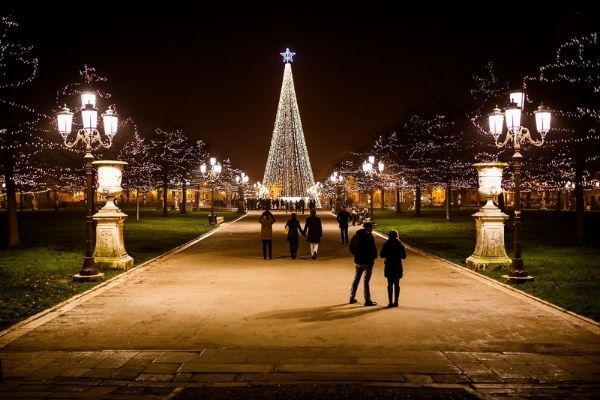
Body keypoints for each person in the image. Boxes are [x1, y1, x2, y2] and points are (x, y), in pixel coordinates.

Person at [349, 222, 378, 306]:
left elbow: (350, 248)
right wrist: (373, 257)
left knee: (356, 279)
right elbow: (373, 250)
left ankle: (351, 297)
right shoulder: (369, 237)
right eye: (371, 227)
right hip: (368, 262)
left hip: (358, 261)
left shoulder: (355, 236)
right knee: (366, 281)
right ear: (368, 228)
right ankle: (367, 300)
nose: (372, 229)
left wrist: (356, 255)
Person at [379, 229, 407, 308]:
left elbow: (381, 255)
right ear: (397, 235)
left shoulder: (386, 244)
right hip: (397, 265)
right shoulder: (400, 244)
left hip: (389, 265)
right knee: (397, 284)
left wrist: (387, 256)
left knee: (390, 284)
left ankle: (390, 302)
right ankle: (396, 301)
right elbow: (404, 256)